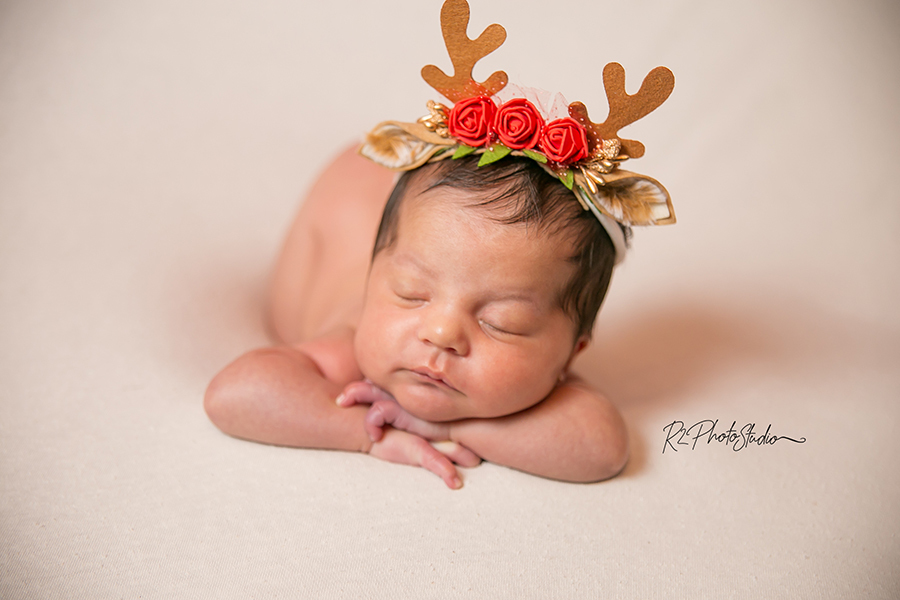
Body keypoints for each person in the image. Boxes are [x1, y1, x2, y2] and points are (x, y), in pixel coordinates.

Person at [204, 147, 629, 489]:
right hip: (341, 199)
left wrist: (443, 425)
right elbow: (233, 394)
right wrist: (366, 433)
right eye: (412, 294)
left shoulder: (537, 375)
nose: (441, 332)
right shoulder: (355, 344)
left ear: (570, 356)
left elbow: (600, 447)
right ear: (373, 286)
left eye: (502, 322)